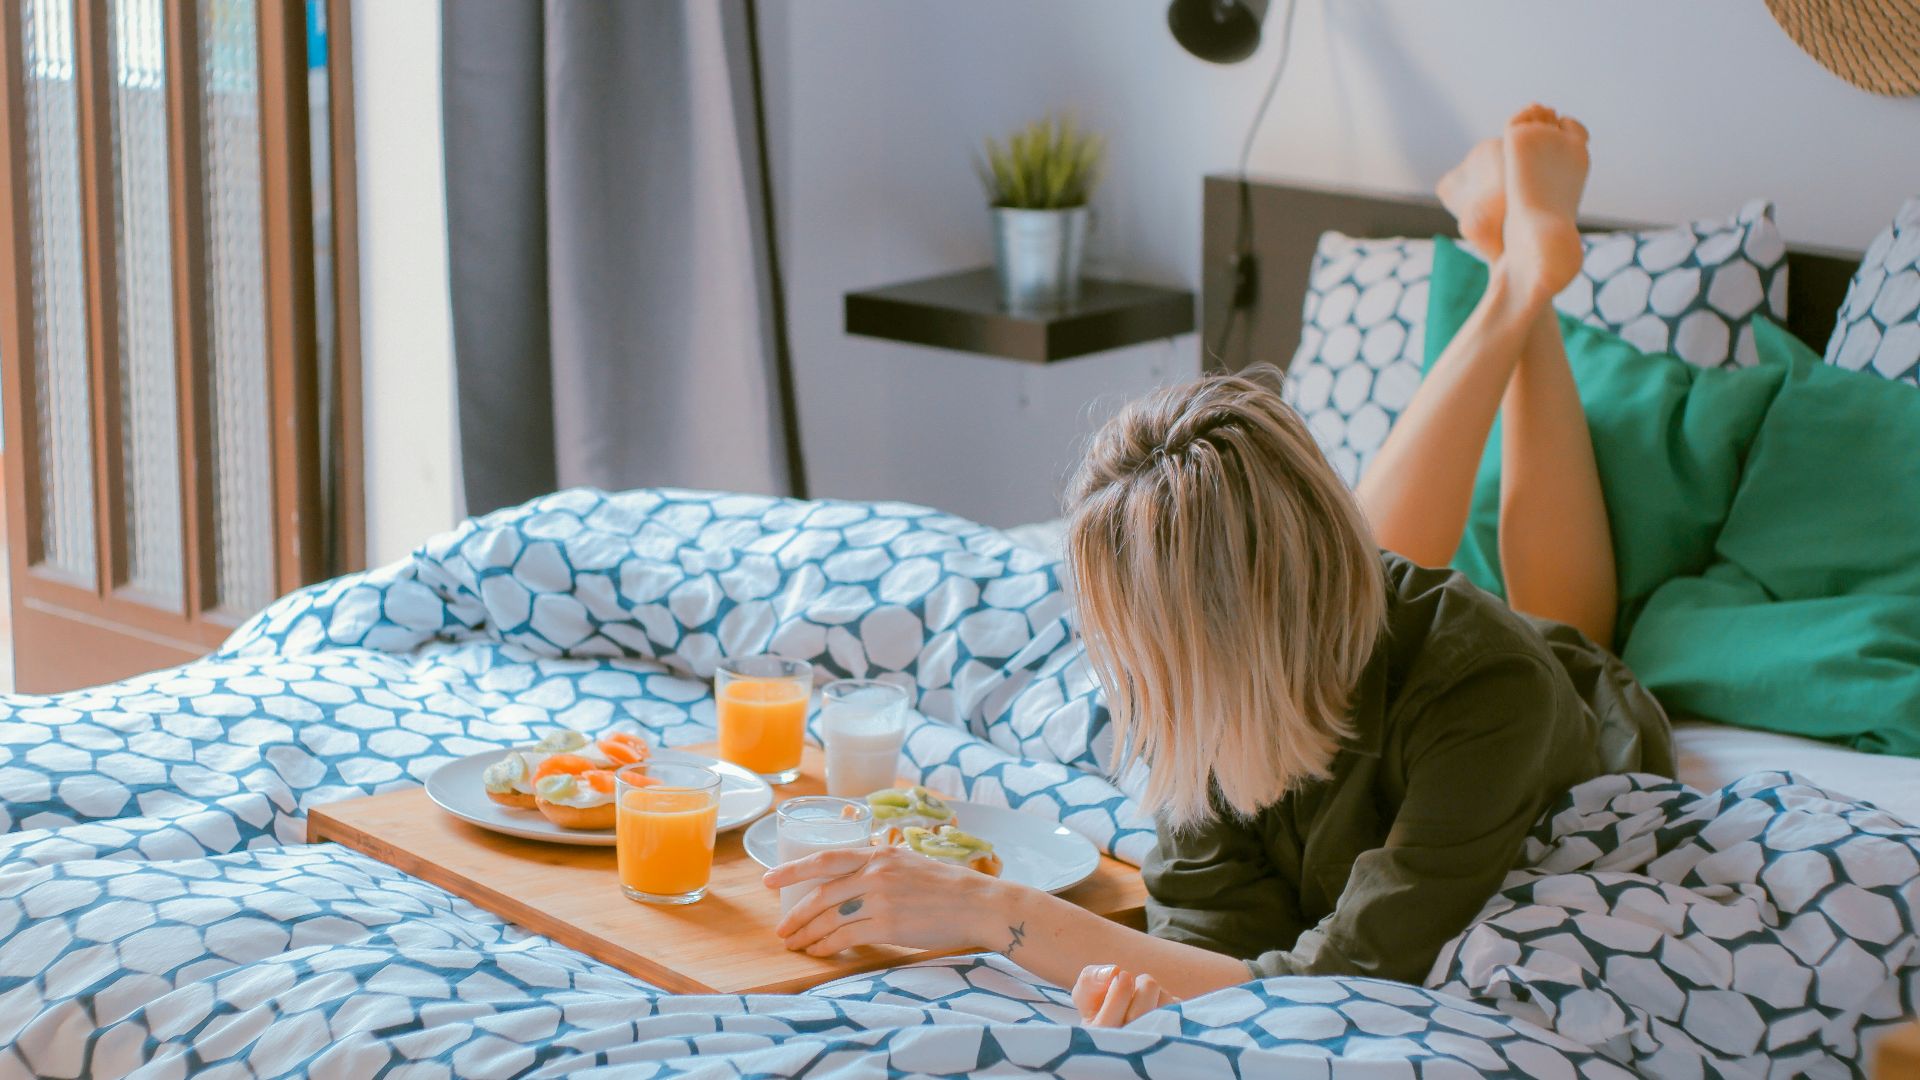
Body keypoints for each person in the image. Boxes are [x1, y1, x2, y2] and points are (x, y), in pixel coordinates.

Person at [761, 104, 1672, 1027]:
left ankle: (1523, 282)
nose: (1124, 674)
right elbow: (1213, 930)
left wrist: (1000, 913)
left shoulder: (1489, 695)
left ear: (1222, 631)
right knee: (1372, 556)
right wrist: (1165, 986)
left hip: (1553, 690)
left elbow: (1351, 980)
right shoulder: (1196, 685)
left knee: (1565, 621)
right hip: (1327, 626)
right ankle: (1516, 271)